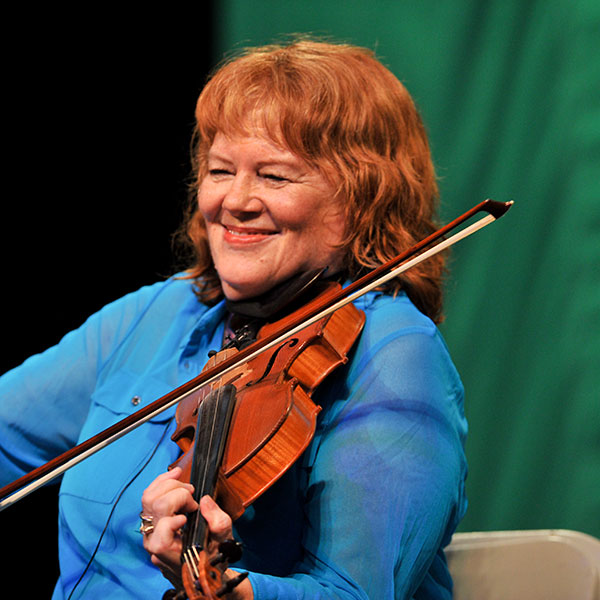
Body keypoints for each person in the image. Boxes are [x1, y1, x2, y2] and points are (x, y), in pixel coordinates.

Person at [0, 40, 467, 599]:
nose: (235, 201)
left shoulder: (394, 355)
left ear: (363, 199)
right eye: (221, 170)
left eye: (274, 177)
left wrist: (230, 591)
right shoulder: (163, 313)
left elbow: (354, 593)